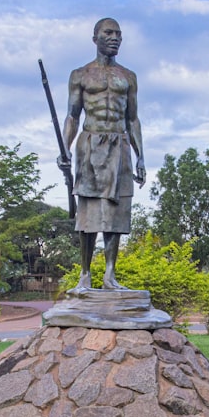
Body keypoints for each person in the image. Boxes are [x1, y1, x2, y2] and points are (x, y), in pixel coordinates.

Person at [60, 17, 146, 291]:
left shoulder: (128, 77)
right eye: (109, 33)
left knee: (116, 211)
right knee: (88, 213)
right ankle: (85, 275)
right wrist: (65, 147)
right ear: (95, 37)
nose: (115, 38)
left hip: (119, 146)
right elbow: (72, 116)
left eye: (119, 34)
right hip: (90, 145)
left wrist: (141, 155)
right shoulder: (80, 75)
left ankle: (110, 275)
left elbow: (132, 119)